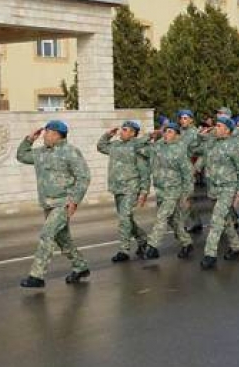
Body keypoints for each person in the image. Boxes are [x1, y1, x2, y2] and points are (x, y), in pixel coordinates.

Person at [15, 120, 91, 288]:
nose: (44, 136)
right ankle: (80, 267)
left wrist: (74, 201)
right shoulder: (41, 152)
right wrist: (29, 139)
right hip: (48, 203)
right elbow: (21, 156)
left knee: (47, 234)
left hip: (63, 202)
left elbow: (84, 177)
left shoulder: (70, 151)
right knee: (63, 240)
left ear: (56, 134)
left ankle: (37, 276)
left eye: (47, 133)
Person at [197, 115, 239, 270]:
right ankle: (236, 246)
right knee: (225, 221)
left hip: (228, 188)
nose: (216, 128)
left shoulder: (234, 146)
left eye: (219, 126)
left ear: (227, 130)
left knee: (216, 220)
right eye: (216, 125)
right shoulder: (211, 143)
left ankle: (210, 255)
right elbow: (196, 146)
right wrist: (203, 133)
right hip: (214, 188)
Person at [140, 123, 194, 260]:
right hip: (160, 190)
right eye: (165, 131)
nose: (166, 134)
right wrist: (149, 135)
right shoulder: (157, 146)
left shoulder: (180, 150)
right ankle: (187, 242)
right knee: (173, 220)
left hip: (173, 190)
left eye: (170, 131)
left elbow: (188, 174)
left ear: (177, 135)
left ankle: (152, 246)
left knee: (162, 217)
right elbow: (138, 147)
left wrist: (187, 195)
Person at [97, 121, 149, 262]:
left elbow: (144, 171)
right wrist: (108, 134)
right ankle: (142, 239)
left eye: (125, 130)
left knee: (124, 218)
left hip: (131, 188)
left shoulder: (137, 146)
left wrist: (144, 191)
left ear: (133, 133)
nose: (122, 132)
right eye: (122, 129)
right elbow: (101, 147)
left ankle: (124, 250)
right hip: (117, 188)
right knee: (126, 219)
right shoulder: (115, 145)